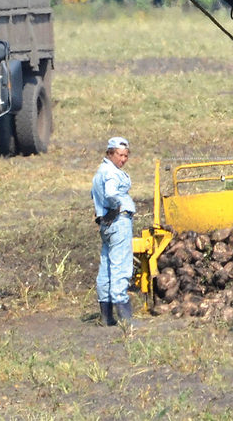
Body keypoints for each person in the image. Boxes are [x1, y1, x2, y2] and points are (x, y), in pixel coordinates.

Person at [92, 136, 135, 326]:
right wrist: (116, 206)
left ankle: (106, 316)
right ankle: (125, 318)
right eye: (120, 155)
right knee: (120, 265)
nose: (123, 159)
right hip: (118, 221)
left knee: (106, 266)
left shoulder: (100, 172)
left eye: (126, 156)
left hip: (106, 224)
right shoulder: (111, 173)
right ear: (110, 153)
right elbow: (110, 193)